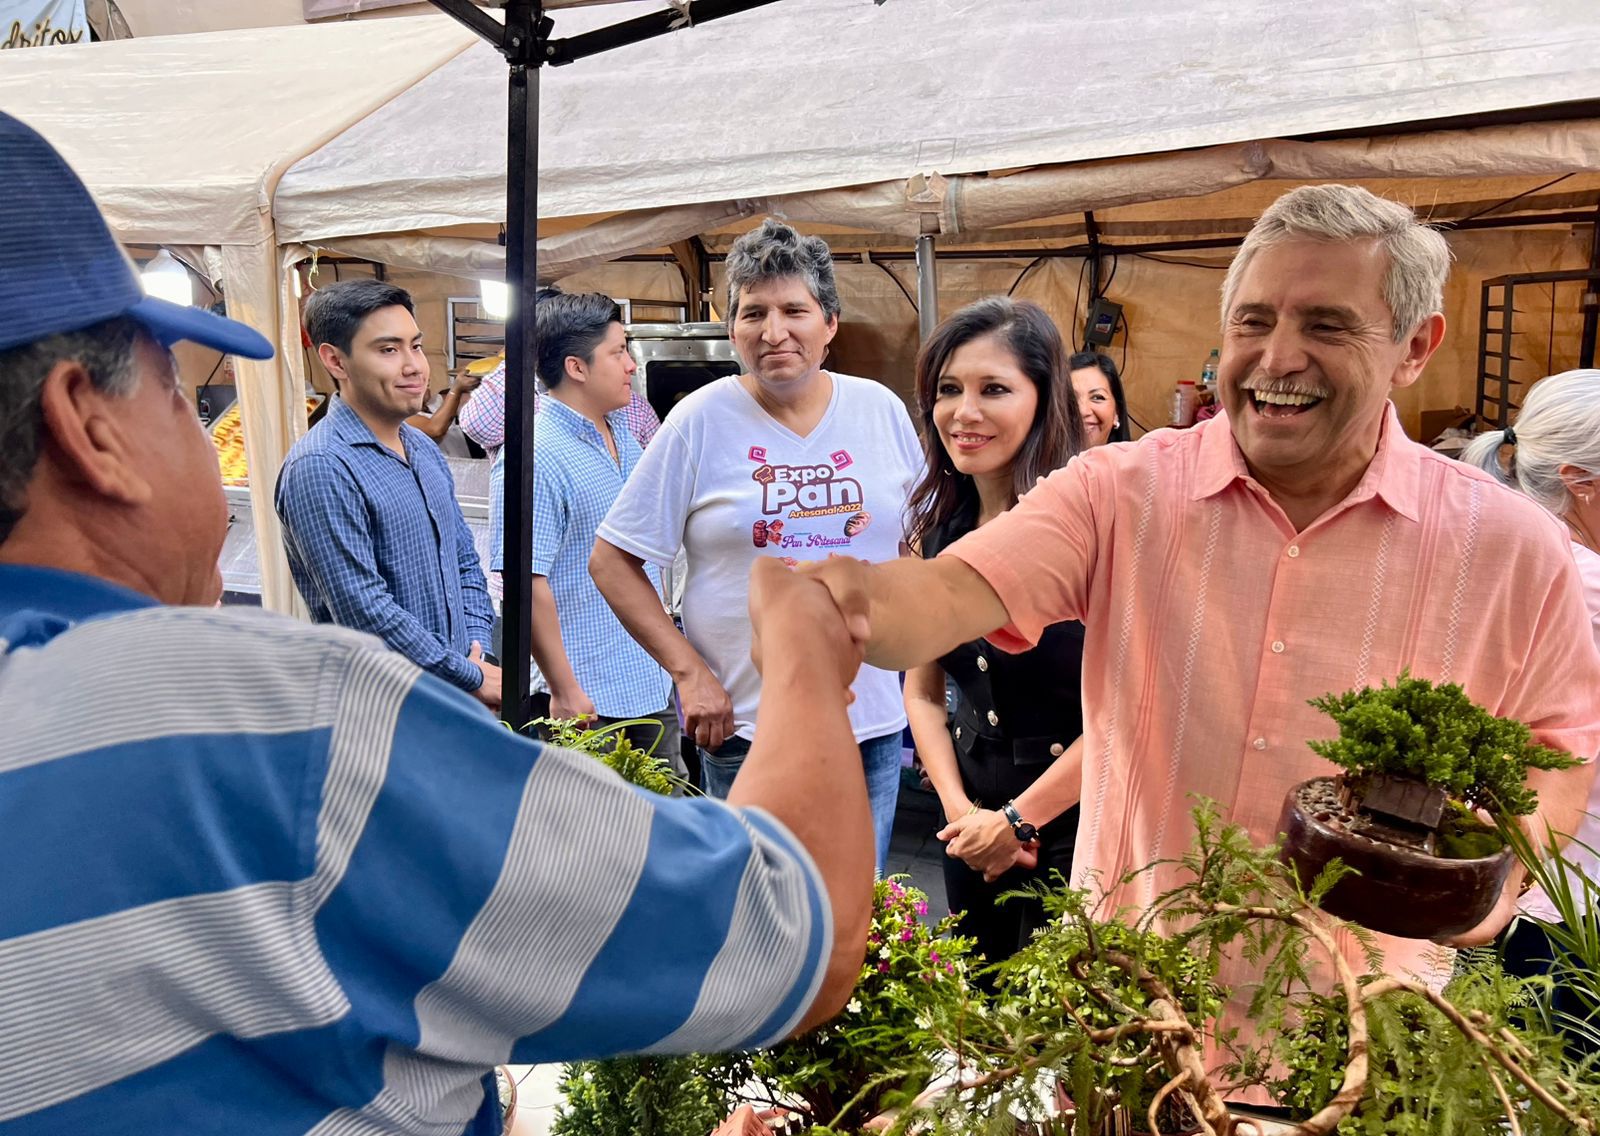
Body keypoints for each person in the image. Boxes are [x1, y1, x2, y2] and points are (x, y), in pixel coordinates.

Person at [0, 110, 874, 1136]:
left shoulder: (418, 475)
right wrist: (800, 646)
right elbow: (790, 932)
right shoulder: (282, 726)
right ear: (87, 426)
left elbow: (469, 569)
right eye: (179, 391)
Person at [798, 184, 1600, 1017]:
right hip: (1130, 1002)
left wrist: (1500, 880)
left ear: (1415, 347)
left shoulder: (1510, 546)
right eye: (1253, 322)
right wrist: (834, 608)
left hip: (1359, 1018)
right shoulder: (1119, 491)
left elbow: (1559, 745)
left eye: (1326, 326)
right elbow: (951, 593)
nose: (1277, 357)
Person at [592, 218, 921, 875]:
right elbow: (613, 559)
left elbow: (913, 546)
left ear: (829, 323)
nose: (774, 332)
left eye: (794, 310)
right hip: (746, 726)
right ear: (731, 327)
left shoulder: (879, 409)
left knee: (863, 908)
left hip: (872, 725)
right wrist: (690, 674)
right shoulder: (699, 420)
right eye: (754, 313)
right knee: (757, 910)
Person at [903, 298, 1087, 965]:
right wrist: (963, 814)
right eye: (949, 389)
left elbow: (1129, 712)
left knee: (1057, 1011)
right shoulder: (936, 531)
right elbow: (922, 689)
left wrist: (1017, 822)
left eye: (994, 389)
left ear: (1044, 399)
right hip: (968, 821)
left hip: (1072, 823)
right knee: (972, 998)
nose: (964, 411)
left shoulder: (1091, 534)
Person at [275, 279, 501, 710]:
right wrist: (467, 675)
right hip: (385, 715)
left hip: (457, 702)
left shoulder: (421, 448)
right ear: (335, 360)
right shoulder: (322, 466)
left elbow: (464, 560)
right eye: (388, 350)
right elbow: (364, 610)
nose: (414, 366)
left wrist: (477, 649)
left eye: (416, 346)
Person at [1462, 370, 1600, 1053]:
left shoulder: (1519, 559)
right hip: (1572, 909)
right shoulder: (1583, 584)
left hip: (1525, 894)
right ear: (1581, 480)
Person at [524, 290, 686, 780]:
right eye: (618, 353)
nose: (631, 365)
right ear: (577, 367)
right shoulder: (537, 453)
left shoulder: (623, 434)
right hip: (586, 697)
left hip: (646, 676)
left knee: (667, 818)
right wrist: (563, 687)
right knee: (595, 826)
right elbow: (526, 580)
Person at [458, 286, 659, 619]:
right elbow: (476, 423)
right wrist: (522, 358)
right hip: (571, 616)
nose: (631, 366)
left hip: (628, 619)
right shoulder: (534, 447)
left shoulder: (627, 419)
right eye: (618, 352)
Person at [1068, 349, 1131, 447]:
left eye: (1097, 397)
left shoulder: (1139, 456)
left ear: (1117, 412)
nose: (1082, 411)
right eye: (1072, 398)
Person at [405, 368, 483, 445]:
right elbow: (435, 429)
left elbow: (465, 399)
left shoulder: (433, 402)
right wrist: (456, 389)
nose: (427, 382)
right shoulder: (403, 419)